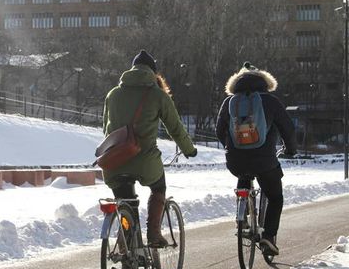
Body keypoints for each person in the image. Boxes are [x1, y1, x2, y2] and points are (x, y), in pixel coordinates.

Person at [102, 50, 197, 256]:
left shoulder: (113, 94)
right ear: (153, 73)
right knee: (158, 187)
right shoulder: (157, 95)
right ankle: (154, 233)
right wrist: (189, 150)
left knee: (127, 203)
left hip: (114, 161)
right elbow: (176, 128)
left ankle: (128, 249)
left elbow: (105, 131)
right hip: (144, 161)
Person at [215, 62, 297, 256]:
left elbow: (219, 130)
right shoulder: (270, 101)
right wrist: (290, 149)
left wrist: (232, 146)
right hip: (265, 160)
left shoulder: (229, 102)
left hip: (235, 161)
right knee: (275, 197)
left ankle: (242, 211)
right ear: (265, 83)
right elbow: (287, 128)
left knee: (244, 173)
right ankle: (268, 236)